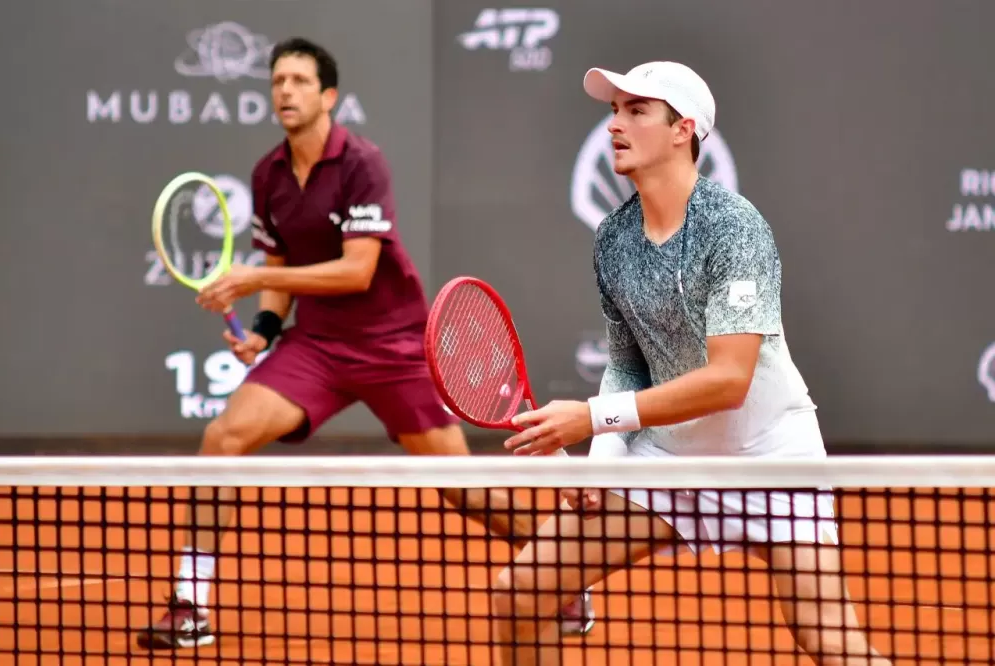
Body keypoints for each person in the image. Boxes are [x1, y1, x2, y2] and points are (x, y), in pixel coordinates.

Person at [136, 37, 549, 650]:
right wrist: (263, 330)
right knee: (222, 438)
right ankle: (191, 602)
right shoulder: (268, 174)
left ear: (329, 96)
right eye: (278, 81)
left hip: (393, 347)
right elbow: (278, 269)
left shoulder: (362, 163)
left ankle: (565, 570)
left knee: (466, 488)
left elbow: (355, 271)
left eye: (300, 81)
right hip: (318, 348)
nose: (285, 91)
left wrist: (256, 279)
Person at [491, 61, 892, 665]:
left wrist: (592, 419)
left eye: (636, 111)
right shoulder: (613, 238)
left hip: (770, 461)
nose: (614, 127)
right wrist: (602, 465)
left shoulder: (735, 228)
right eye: (613, 112)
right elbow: (628, 360)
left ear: (683, 129)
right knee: (521, 591)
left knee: (830, 639)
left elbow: (730, 380)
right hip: (669, 464)